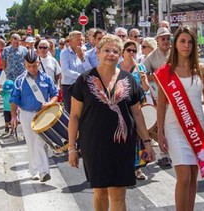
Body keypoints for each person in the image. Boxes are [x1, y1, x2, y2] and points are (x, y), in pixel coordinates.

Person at [67, 34, 155, 211]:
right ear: (98, 52)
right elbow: (75, 116)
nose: (111, 54)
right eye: (106, 50)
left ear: (121, 55)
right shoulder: (84, 80)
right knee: (99, 193)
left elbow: (137, 114)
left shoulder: (129, 80)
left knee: (119, 193)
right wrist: (71, 148)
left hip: (122, 144)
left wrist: (147, 142)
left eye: (116, 51)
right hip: (94, 145)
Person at [155, 26, 204, 211]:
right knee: (184, 176)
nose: (186, 45)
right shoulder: (165, 72)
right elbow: (161, 105)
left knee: (193, 175)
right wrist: (160, 133)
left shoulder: (203, 70)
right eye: (182, 41)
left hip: (197, 126)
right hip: (174, 128)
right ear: (175, 44)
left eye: (190, 41)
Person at [10, 50, 58, 182]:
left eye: (35, 66)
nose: (32, 69)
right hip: (26, 114)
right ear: (25, 65)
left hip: (42, 114)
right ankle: (35, 171)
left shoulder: (46, 78)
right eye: (29, 66)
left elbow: (55, 94)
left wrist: (49, 103)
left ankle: (44, 171)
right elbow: (14, 99)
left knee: (41, 142)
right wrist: (13, 117)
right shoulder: (20, 81)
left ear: (39, 63)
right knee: (31, 143)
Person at [117, 40, 150, 180]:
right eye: (128, 50)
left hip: (137, 105)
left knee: (139, 138)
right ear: (122, 52)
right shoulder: (117, 68)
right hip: (122, 106)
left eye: (134, 51)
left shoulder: (140, 67)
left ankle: (138, 168)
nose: (131, 53)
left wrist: (143, 80)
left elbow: (146, 88)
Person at [144, 27, 173, 167]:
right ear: (157, 40)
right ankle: (165, 154)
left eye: (168, 38)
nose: (166, 41)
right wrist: (157, 76)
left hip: (177, 94)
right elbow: (142, 75)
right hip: (159, 96)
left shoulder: (176, 52)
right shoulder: (151, 57)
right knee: (162, 124)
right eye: (163, 38)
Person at [60, 30, 90, 114]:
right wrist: (81, 76)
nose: (80, 42)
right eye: (78, 40)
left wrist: (82, 58)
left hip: (82, 86)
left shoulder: (84, 53)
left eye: (82, 40)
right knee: (70, 112)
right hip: (69, 86)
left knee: (83, 112)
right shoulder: (64, 53)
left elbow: (88, 70)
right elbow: (65, 70)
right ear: (70, 42)